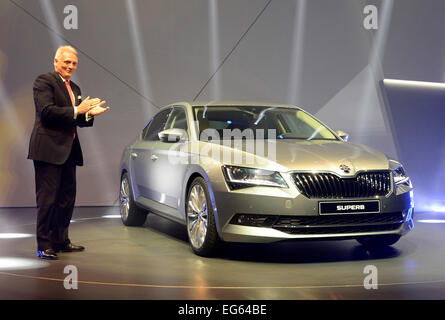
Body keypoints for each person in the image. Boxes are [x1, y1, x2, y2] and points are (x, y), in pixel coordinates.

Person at [28, 45, 109, 260]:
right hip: (48, 150)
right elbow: (47, 113)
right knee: (47, 200)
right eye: (66, 62)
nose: (70, 66)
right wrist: (77, 110)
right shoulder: (44, 81)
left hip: (69, 151)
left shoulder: (75, 88)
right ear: (56, 61)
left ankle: (61, 240)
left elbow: (76, 120)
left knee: (66, 199)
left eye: (74, 63)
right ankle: (44, 245)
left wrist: (89, 114)